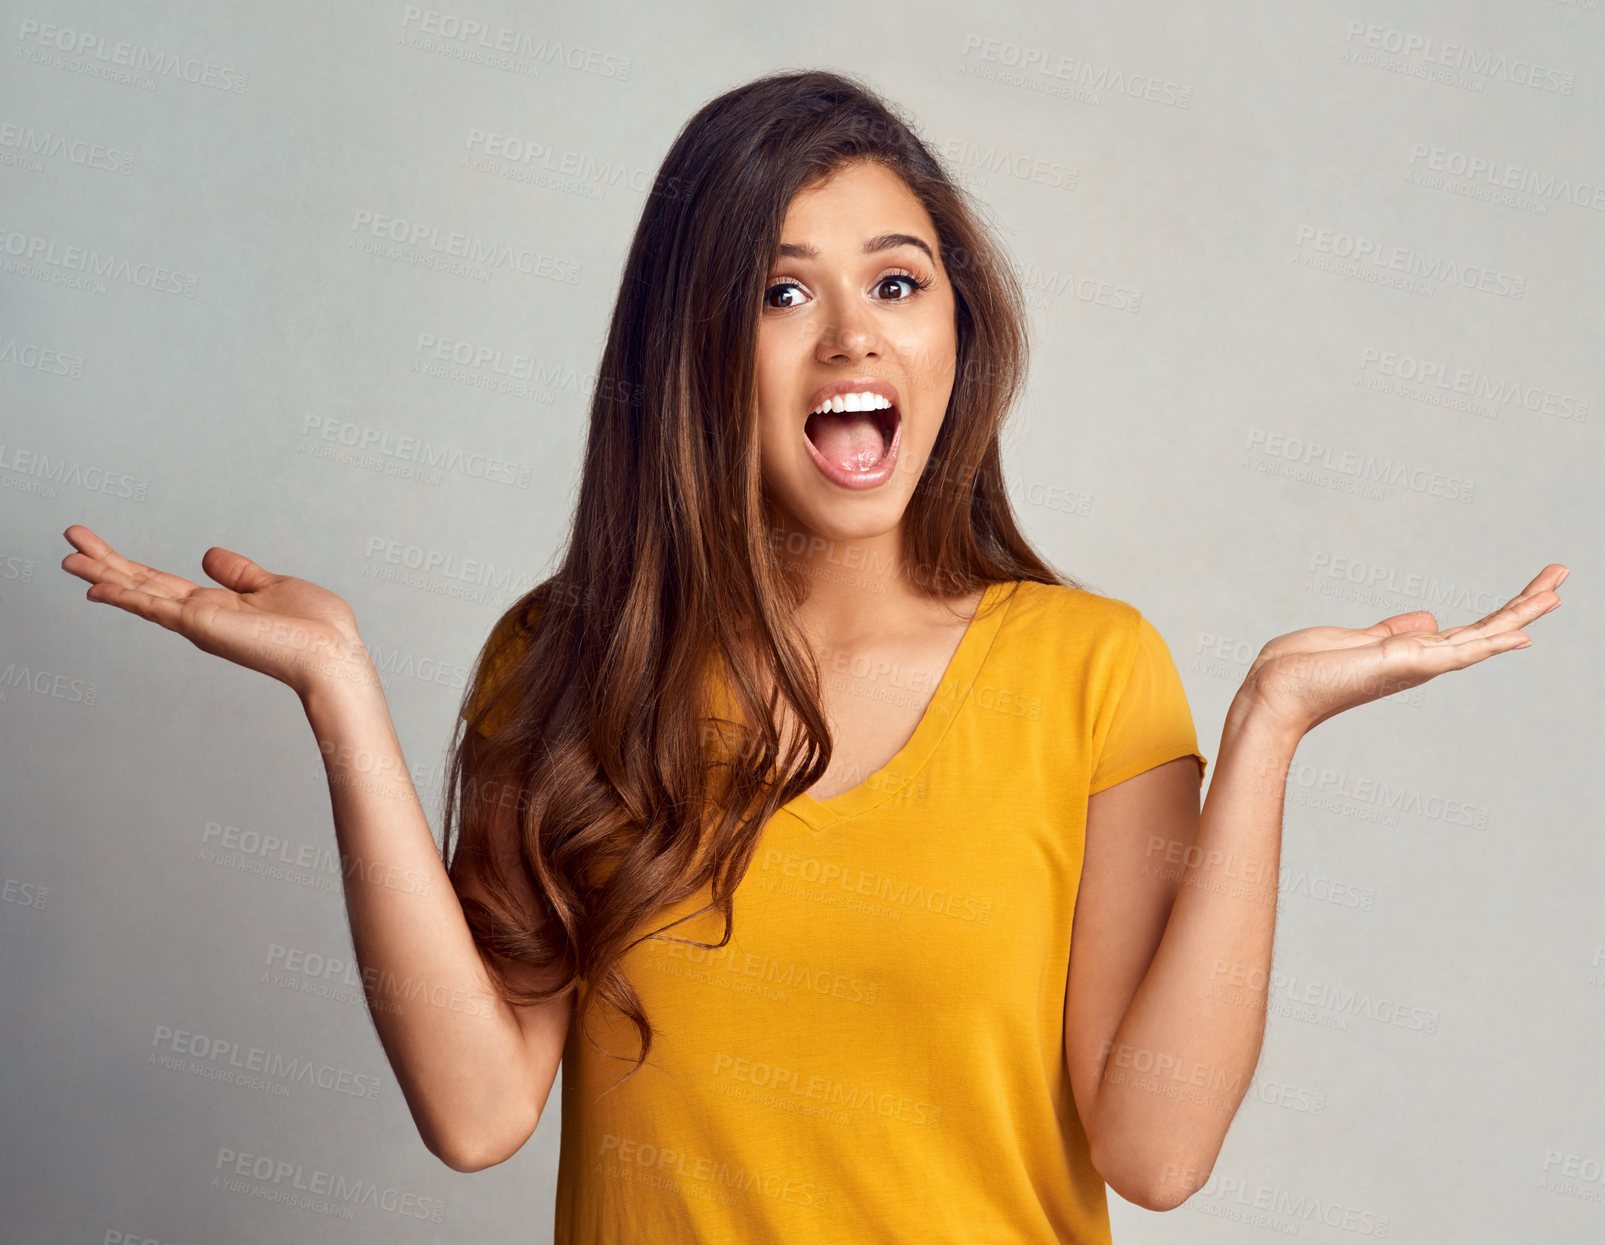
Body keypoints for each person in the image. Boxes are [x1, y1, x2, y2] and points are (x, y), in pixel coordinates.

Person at [60, 69, 1565, 1244]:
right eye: (783, 293)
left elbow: (1155, 1153)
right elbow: (475, 1108)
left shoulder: (1090, 674)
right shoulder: (565, 661)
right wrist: (341, 693)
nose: (852, 336)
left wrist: (1267, 734)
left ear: (956, 333)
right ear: (694, 347)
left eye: (897, 283)